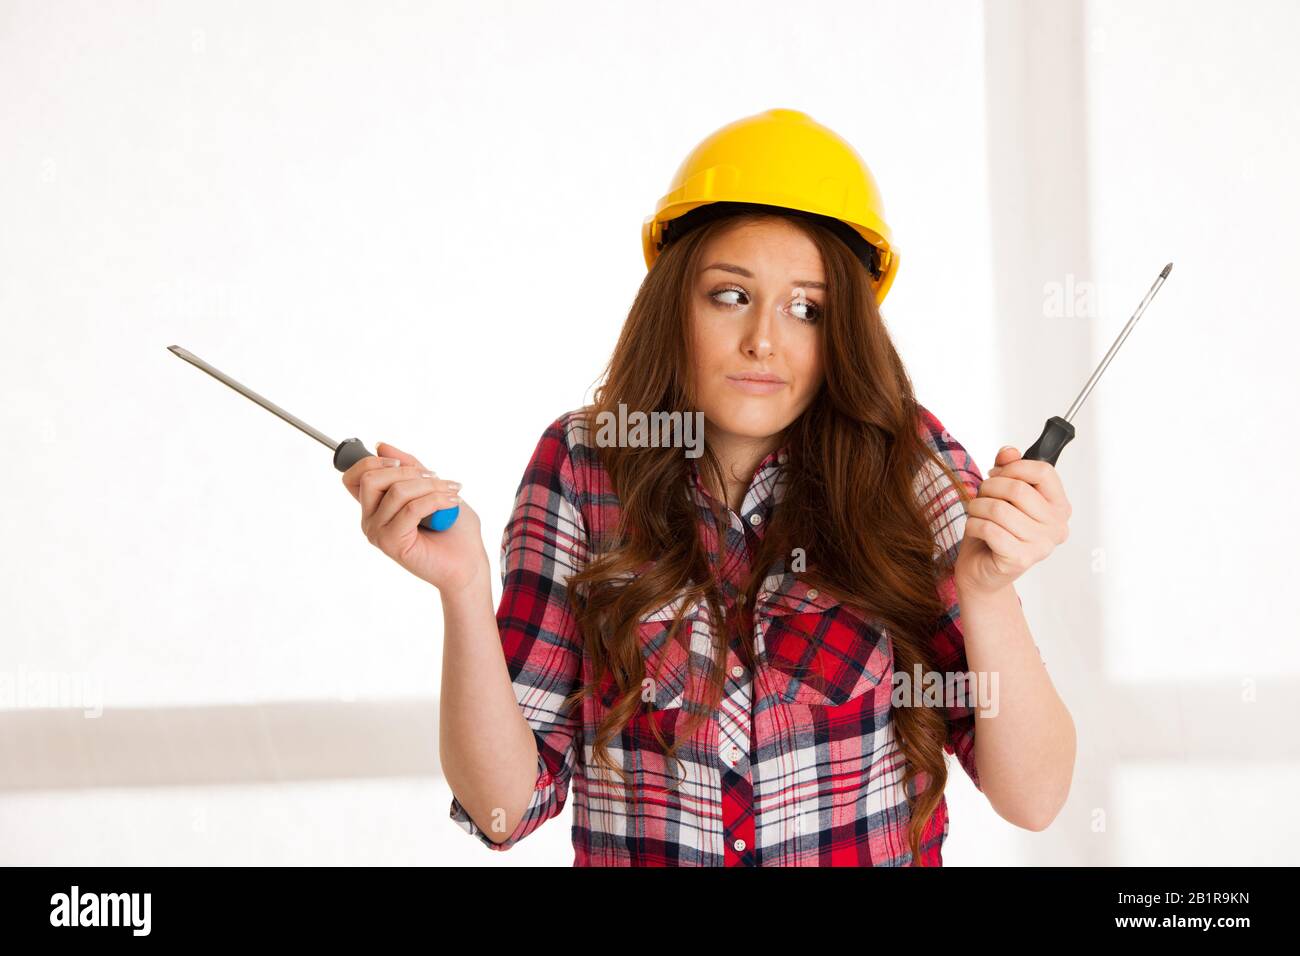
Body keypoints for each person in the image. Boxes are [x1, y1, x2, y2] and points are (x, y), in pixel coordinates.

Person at [341, 108, 1077, 866]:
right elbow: (502, 807)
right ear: (674, 301)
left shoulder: (909, 466)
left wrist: (986, 593)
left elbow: (1036, 797)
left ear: (844, 331)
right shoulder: (584, 465)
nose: (764, 338)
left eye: (807, 309)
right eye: (730, 295)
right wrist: (462, 587)